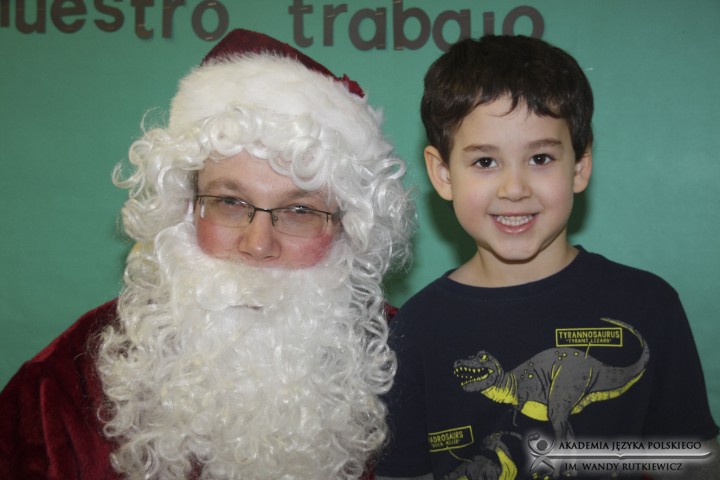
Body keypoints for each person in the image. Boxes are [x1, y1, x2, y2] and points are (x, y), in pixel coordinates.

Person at [0, 29, 413, 479]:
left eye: (299, 210)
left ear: (348, 228)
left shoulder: (418, 357)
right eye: (230, 202)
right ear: (183, 208)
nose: (258, 244)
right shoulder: (60, 388)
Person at [374, 35, 719, 480]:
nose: (514, 189)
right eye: (485, 162)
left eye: (540, 158)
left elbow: (693, 463)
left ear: (579, 166)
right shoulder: (416, 328)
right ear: (443, 175)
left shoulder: (650, 304)